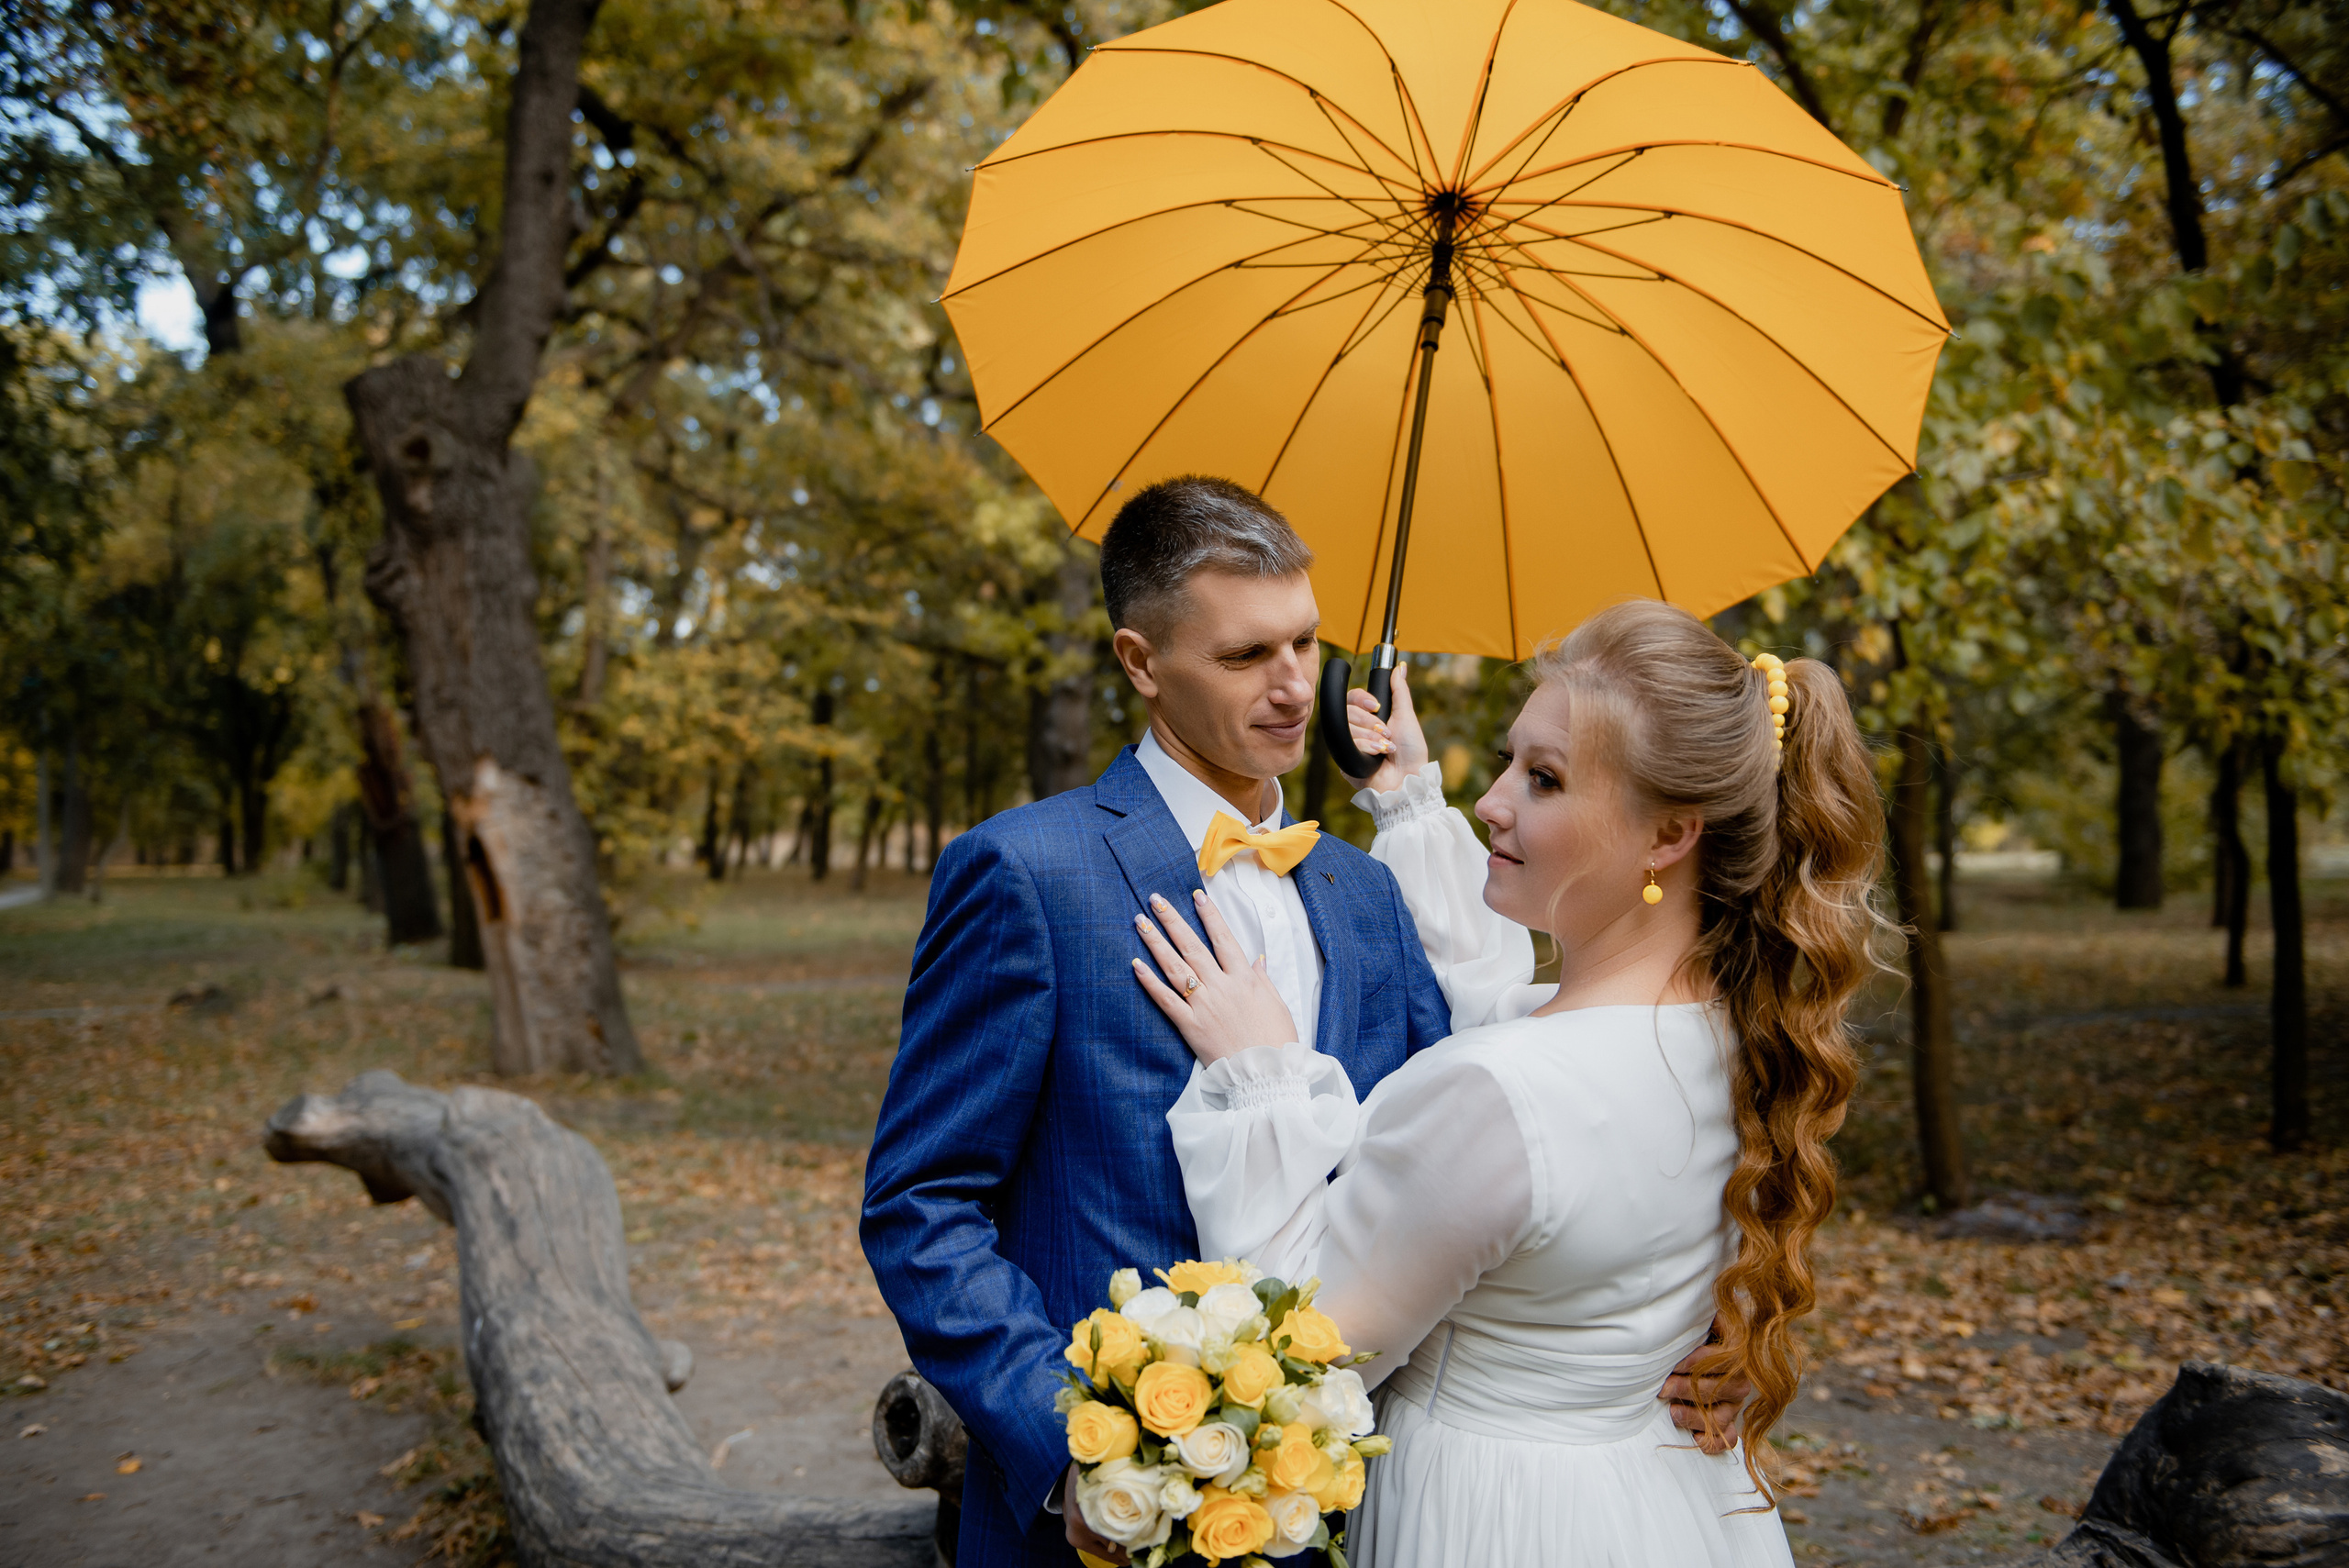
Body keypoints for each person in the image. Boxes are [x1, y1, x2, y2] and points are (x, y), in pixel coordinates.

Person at [1131, 599, 1886, 1568]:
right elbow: (1496, 1004)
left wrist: (1262, 1074)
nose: (1490, 800)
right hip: (1663, 1502)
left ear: (1669, 834)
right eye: (1509, 760)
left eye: (1544, 778)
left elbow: (1298, 1348)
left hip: (1492, 1515)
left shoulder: (1499, 1089)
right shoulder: (1739, 1038)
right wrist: (1403, 795)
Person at [860, 476, 1455, 1568]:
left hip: (1340, 1506)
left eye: (1305, 642)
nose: (1293, 686)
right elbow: (921, 1202)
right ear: (1140, 661)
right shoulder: (1027, 871)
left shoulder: (1368, 892)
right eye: (1244, 655)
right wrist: (1075, 1450)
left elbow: (1440, 1168)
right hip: (1093, 1527)